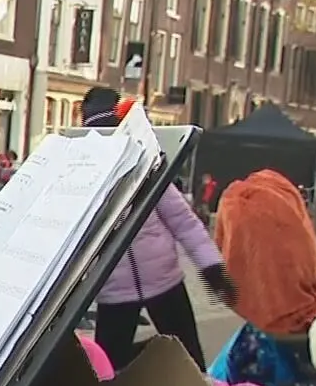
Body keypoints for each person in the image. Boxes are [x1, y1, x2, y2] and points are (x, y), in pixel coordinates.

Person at [81, 87, 236, 369]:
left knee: (190, 361)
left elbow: (184, 222)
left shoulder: (148, 171)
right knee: (107, 370)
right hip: (114, 291)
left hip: (165, 282)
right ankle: (145, 368)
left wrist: (211, 266)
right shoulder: (84, 183)